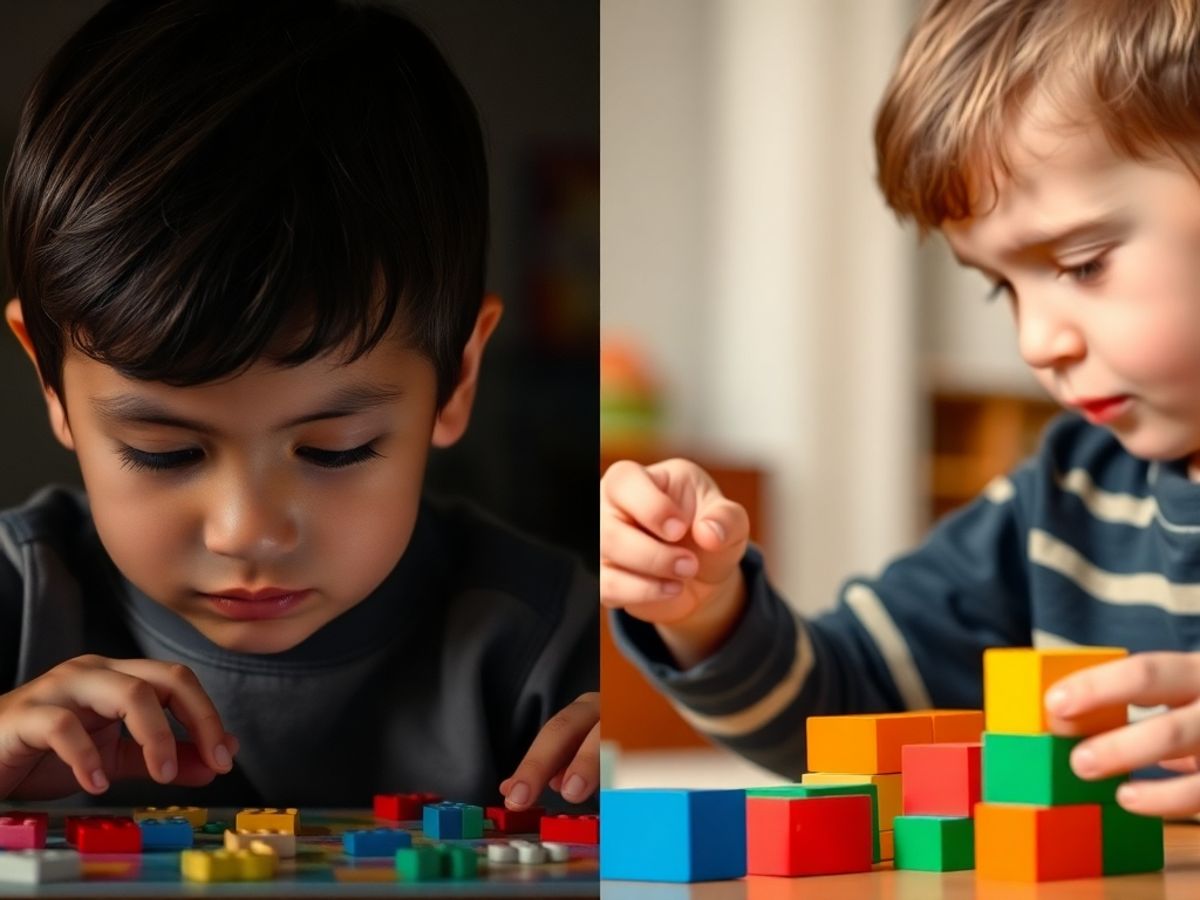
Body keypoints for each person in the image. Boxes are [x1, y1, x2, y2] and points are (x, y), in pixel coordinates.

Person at [601, 0, 1200, 819]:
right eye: (1001, 286)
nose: (1036, 341)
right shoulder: (1061, 501)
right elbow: (853, 708)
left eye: (1082, 263)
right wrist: (707, 611)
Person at [0, 0, 597, 811]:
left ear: (458, 379)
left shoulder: (551, 645)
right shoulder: (18, 602)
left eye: (335, 448)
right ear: (51, 383)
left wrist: (666, 777)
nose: (246, 531)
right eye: (164, 451)